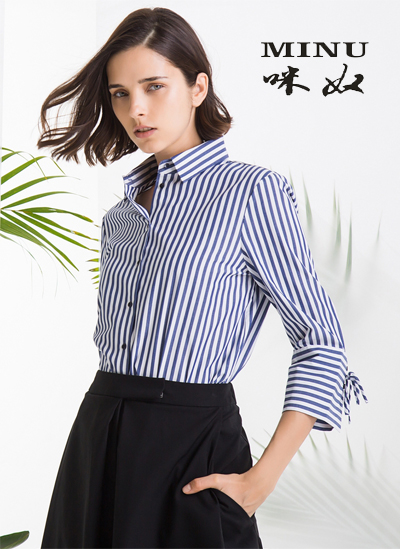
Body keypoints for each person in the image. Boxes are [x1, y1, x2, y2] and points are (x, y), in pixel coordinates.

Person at [38, 7, 367, 549]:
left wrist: (261, 481)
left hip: (192, 447)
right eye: (120, 93)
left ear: (198, 87)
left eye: (154, 86)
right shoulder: (120, 216)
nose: (136, 109)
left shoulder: (251, 193)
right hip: (98, 436)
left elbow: (321, 342)